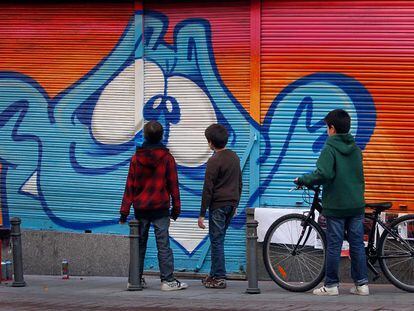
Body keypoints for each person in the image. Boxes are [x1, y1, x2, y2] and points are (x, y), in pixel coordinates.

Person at [295, 109, 369, 296]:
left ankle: (331, 286)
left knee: (334, 245)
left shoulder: (329, 148)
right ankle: (362, 285)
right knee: (357, 244)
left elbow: (324, 174)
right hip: (356, 204)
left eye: (327, 127)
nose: (327, 130)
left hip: (336, 205)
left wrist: (303, 179)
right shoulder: (356, 149)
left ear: (332, 128)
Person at [119, 120, 188, 291]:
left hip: (141, 209)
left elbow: (130, 186)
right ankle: (167, 280)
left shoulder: (136, 158)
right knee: (163, 245)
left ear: (145, 136)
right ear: (162, 136)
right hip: (160, 209)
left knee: (138, 245)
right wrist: (176, 209)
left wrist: (124, 212)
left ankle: (134, 279)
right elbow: (173, 185)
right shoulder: (167, 158)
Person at [198, 124, 242, 289]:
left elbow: (208, 189)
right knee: (219, 239)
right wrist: (235, 204)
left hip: (218, 206)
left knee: (216, 241)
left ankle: (219, 277)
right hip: (231, 205)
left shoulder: (213, 160)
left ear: (210, 142)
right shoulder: (234, 157)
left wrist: (202, 214)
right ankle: (214, 274)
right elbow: (239, 182)